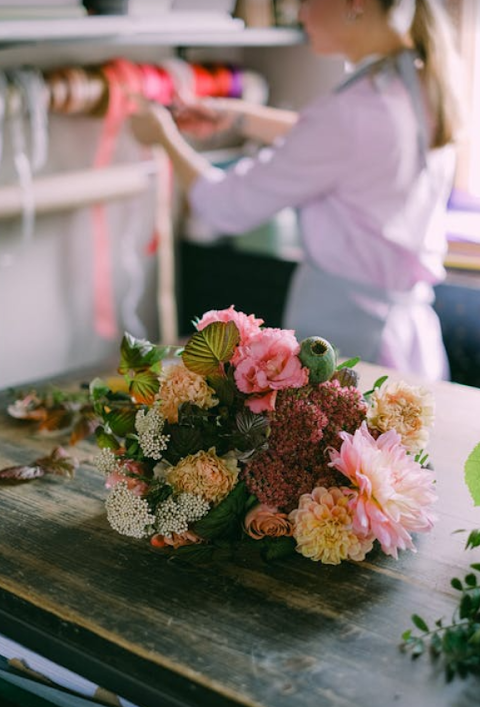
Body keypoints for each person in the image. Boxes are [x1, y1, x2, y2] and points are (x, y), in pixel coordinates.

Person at [130, 0, 463, 381]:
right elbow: (337, 144)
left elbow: (226, 205)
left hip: (354, 341)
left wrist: (163, 138)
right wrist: (239, 116)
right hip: (408, 340)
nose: (299, 14)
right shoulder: (413, 83)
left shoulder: (351, 111)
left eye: (305, 0)